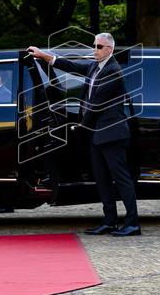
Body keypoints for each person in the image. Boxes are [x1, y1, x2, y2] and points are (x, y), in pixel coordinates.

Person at [27, 33, 141, 236]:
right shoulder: (95, 67)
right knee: (101, 179)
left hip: (112, 134)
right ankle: (110, 221)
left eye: (99, 46)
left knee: (121, 179)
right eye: (94, 45)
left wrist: (80, 125)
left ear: (110, 49)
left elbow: (96, 104)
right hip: (97, 135)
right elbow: (71, 66)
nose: (94, 50)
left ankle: (132, 223)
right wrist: (44, 56)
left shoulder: (113, 70)